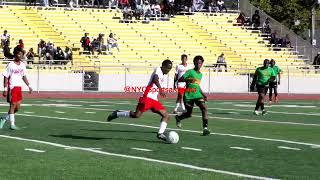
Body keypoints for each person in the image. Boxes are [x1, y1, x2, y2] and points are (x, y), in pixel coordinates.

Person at [107, 60, 173, 142]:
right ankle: (117, 113)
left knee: (166, 116)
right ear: (163, 66)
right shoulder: (158, 70)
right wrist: (160, 89)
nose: (168, 70)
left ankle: (160, 134)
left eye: (170, 69)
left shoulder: (162, 74)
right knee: (136, 115)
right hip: (147, 97)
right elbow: (155, 79)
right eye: (167, 68)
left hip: (154, 100)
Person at [175, 55, 210, 136]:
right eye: (197, 63)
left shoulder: (200, 75)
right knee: (188, 114)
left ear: (202, 64)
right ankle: (178, 117)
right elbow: (180, 79)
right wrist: (189, 79)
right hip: (188, 95)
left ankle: (205, 128)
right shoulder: (190, 72)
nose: (199, 64)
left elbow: (197, 85)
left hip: (197, 95)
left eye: (200, 63)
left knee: (204, 108)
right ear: (194, 63)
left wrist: (203, 94)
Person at [0, 50, 33, 130]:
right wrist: (5, 89)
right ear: (15, 55)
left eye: (21, 55)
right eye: (19, 54)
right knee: (12, 105)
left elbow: (23, 76)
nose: (20, 56)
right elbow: (6, 76)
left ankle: (4, 118)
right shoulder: (10, 65)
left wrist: (29, 85)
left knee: (17, 107)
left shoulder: (22, 65)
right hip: (12, 87)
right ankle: (12, 124)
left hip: (19, 88)